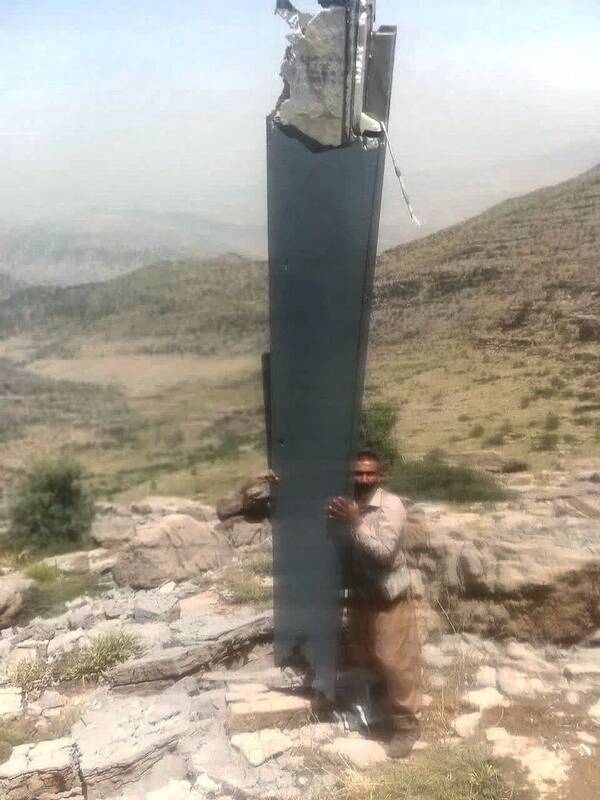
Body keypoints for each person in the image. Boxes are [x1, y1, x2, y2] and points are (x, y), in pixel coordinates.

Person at [328, 449, 422, 758]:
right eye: (358, 473)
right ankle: (383, 715)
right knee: (369, 658)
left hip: (389, 597)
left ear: (380, 476)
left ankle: (407, 726)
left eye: (370, 473)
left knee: (395, 662)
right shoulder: (346, 503)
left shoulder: (390, 505)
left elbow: (384, 552)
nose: (364, 478)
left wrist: (355, 523)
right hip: (362, 597)